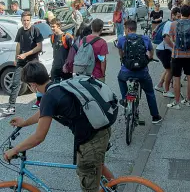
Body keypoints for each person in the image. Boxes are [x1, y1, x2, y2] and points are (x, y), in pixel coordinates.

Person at [4, 61, 111, 192]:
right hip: (100, 129)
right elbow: (44, 113)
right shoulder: (55, 85)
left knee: (88, 176)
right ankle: (116, 186)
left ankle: (114, 186)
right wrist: (25, 122)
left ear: (32, 85)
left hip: (92, 139)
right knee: (95, 164)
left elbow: (39, 137)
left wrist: (14, 150)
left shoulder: (49, 97)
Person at [117, 19, 162, 124]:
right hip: (142, 72)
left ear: (127, 29)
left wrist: (123, 59)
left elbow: (121, 53)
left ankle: (124, 99)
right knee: (150, 92)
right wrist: (150, 58)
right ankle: (155, 116)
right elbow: (151, 51)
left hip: (127, 71)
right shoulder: (145, 38)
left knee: (120, 79)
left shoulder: (122, 39)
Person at [2, 11, 43, 115]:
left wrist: (26, 54)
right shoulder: (20, 30)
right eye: (24, 20)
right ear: (21, 20)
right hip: (21, 61)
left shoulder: (35, 30)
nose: (26, 22)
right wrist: (16, 58)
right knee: (15, 83)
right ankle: (11, 107)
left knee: (36, 84)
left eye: (28, 20)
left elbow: (39, 47)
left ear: (30, 20)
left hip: (32, 61)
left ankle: (42, 102)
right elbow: (18, 45)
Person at [167, 5, 190, 109]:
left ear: (180, 13)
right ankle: (188, 100)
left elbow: (171, 37)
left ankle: (177, 102)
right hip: (189, 54)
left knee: (176, 78)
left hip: (177, 54)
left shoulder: (174, 24)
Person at [155, 7, 181, 98]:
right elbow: (166, 38)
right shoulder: (169, 24)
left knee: (168, 69)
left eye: (180, 16)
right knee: (170, 70)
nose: (178, 18)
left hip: (164, 50)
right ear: (172, 15)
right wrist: (174, 47)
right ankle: (166, 91)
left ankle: (159, 85)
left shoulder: (173, 23)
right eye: (177, 16)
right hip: (163, 50)